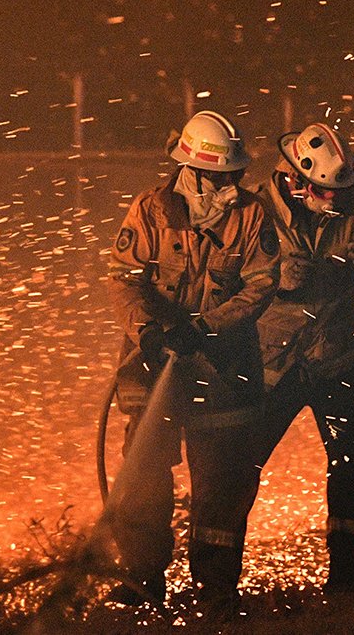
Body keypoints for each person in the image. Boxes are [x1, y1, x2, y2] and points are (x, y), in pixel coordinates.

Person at [106, 110, 280, 612]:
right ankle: (142, 581)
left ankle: (216, 589)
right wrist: (149, 331)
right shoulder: (148, 211)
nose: (231, 184)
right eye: (222, 176)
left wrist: (205, 327)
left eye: (235, 175)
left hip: (222, 367)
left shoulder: (251, 216)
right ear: (195, 170)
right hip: (152, 360)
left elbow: (261, 284)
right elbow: (124, 281)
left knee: (223, 481)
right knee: (143, 475)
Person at [249, 122, 354, 592]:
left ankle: (349, 568)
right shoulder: (255, 212)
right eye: (322, 191)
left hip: (335, 355)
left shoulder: (352, 198)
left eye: (338, 192)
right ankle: (217, 576)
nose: (333, 201)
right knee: (239, 462)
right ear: (294, 179)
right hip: (272, 364)